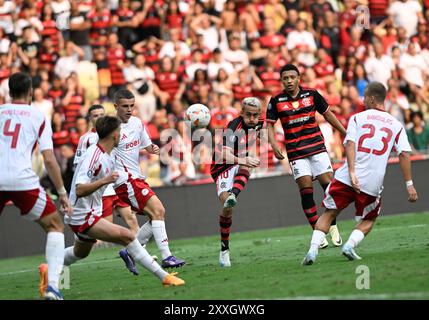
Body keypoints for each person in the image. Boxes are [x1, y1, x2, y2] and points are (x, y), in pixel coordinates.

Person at [39, 116, 185, 290]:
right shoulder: (94, 156)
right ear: (114, 135)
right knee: (128, 235)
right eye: (120, 132)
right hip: (83, 214)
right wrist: (104, 181)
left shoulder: (107, 155)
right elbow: (79, 189)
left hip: (90, 210)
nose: (122, 135)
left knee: (80, 252)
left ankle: (49, 268)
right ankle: (164, 276)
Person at [302, 82, 418, 265]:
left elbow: (350, 144)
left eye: (365, 97)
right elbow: (404, 153)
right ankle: (349, 246)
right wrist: (409, 184)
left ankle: (312, 251)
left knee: (329, 213)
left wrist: (352, 172)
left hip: (346, 178)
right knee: (369, 219)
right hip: (372, 182)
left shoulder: (357, 118)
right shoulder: (397, 125)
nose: (363, 101)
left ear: (372, 98)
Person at [0, 72, 72, 300]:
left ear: (9, 92)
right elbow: (49, 159)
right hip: (23, 181)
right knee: (55, 226)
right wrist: (61, 192)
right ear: (31, 91)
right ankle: (53, 287)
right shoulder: (38, 116)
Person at [266, 64, 347, 248]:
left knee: (329, 189)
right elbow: (269, 125)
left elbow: (328, 114)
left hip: (317, 148)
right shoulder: (276, 100)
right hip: (296, 153)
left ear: (298, 78)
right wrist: (273, 144)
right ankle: (318, 233)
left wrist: (344, 132)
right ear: (281, 81)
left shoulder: (312, 94)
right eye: (285, 78)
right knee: (306, 192)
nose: (288, 81)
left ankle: (332, 226)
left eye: (291, 77)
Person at [109, 89, 186, 275]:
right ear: (115, 106)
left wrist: (154, 149)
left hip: (137, 178)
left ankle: (129, 252)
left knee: (156, 215)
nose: (129, 110)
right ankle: (167, 257)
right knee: (158, 210)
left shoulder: (137, 123)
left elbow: (146, 145)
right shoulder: (110, 128)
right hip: (124, 180)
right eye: (125, 106)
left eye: (131, 106)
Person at [73, 104, 140, 242]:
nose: (99, 118)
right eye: (95, 116)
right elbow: (79, 165)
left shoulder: (115, 134)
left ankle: (138, 250)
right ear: (90, 119)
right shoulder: (85, 139)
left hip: (116, 183)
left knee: (131, 218)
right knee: (107, 229)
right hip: (101, 189)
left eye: (101, 115)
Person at [210, 97, 263, 267]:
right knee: (227, 207)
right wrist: (244, 159)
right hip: (221, 167)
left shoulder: (259, 124)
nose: (252, 119)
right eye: (248, 115)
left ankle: (234, 193)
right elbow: (224, 155)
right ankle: (224, 250)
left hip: (239, 161)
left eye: (255, 115)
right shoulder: (233, 127)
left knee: (249, 164)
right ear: (241, 113)